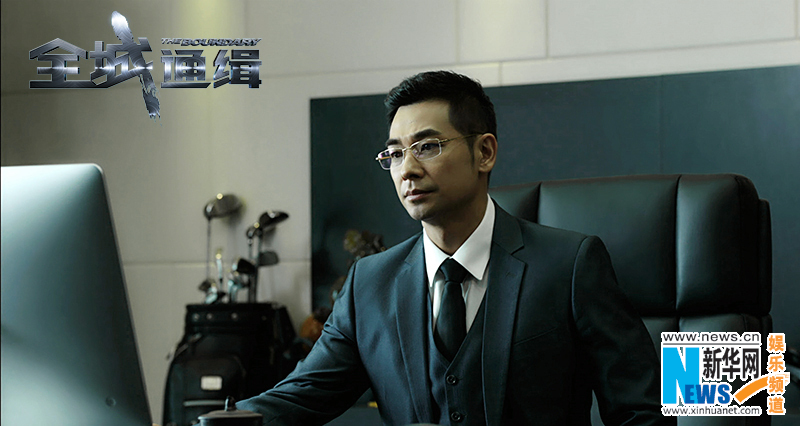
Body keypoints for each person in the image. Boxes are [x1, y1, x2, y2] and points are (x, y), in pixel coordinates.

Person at [238, 71, 668, 425]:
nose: (407, 169)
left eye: (427, 147)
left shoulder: (569, 267)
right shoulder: (369, 284)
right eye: (394, 154)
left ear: (485, 152)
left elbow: (640, 413)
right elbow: (296, 398)